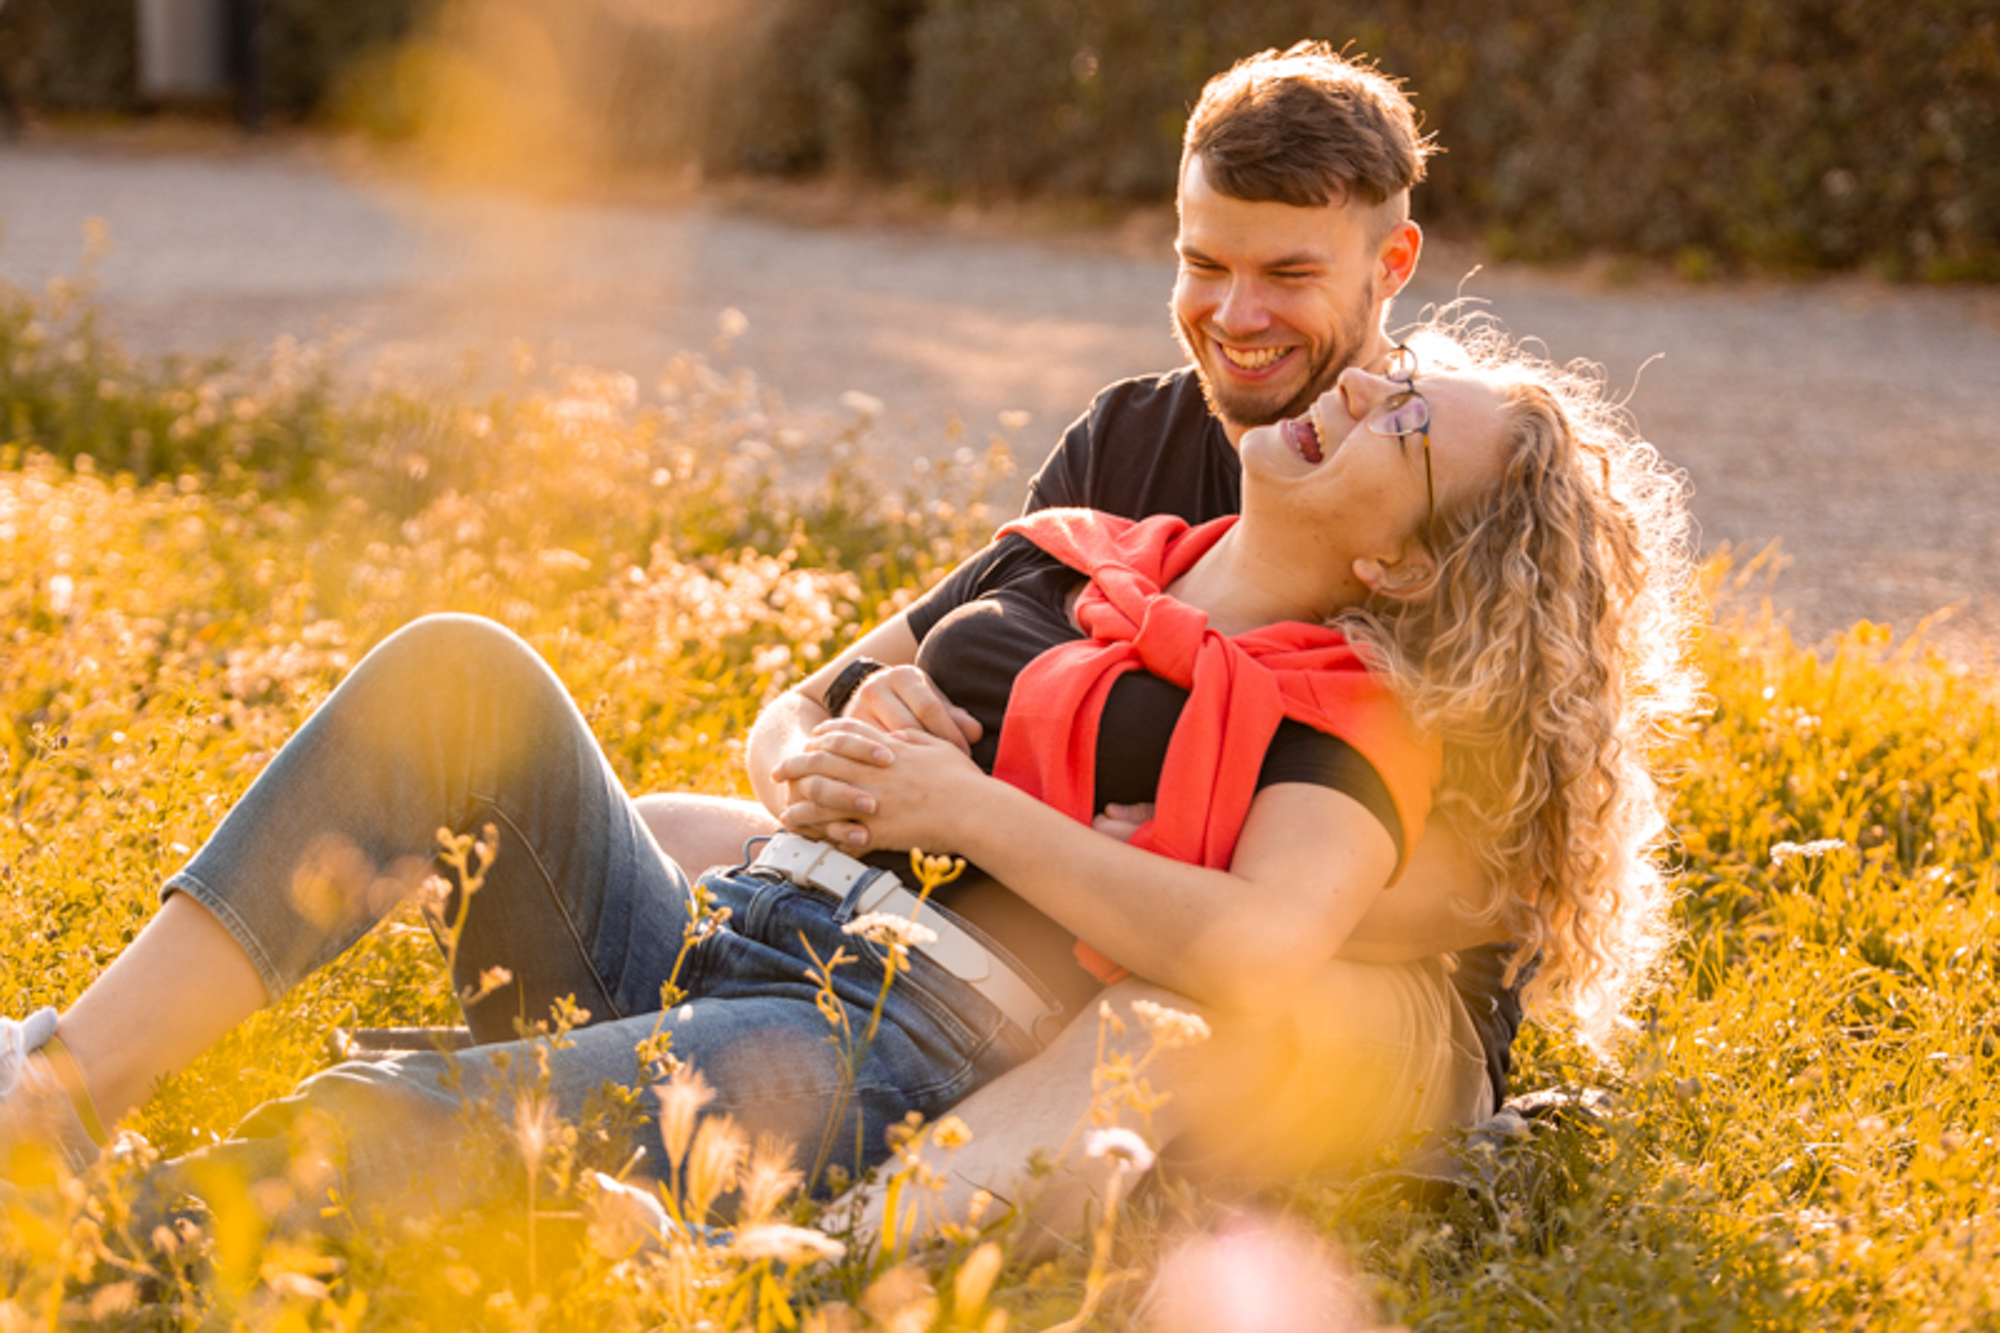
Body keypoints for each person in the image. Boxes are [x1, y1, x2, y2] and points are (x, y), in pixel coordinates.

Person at [0, 322, 1688, 1231]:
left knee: (408, 1117)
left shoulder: (1334, 716)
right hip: (727, 922)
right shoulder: (1079, 541)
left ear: (1406, 571)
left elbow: (1253, 945)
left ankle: (88, 1252)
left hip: (871, 1034)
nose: (1370, 384)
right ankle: (63, 1090)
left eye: (1409, 426)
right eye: (1400, 377)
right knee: (463, 671)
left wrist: (971, 812)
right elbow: (820, 697)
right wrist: (836, 743)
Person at [640, 42, 1521, 1210]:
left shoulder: (1446, 485)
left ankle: (832, 1237)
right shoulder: (1123, 445)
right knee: (661, 831)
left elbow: (1497, 890)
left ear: (1391, 260)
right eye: (1203, 263)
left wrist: (1158, 861)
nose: (1236, 314)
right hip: (1039, 920)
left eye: (1288, 272)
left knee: (1162, 1017)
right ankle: (683, 1106)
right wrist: (838, 765)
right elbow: (837, 703)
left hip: (1332, 984)